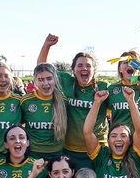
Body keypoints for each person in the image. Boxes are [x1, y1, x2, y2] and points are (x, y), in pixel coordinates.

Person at [37, 34, 108, 170]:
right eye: (79, 65)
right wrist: (47, 46)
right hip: (70, 149)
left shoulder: (104, 87)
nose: (84, 68)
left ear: (94, 70)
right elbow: (42, 69)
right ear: (73, 70)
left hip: (97, 148)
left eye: (88, 66)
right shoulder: (67, 82)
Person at [21, 63, 67, 161]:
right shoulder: (26, 101)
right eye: (40, 79)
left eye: (49, 78)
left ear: (55, 79)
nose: (45, 83)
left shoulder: (64, 101)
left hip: (57, 154)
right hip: (32, 154)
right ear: (35, 81)